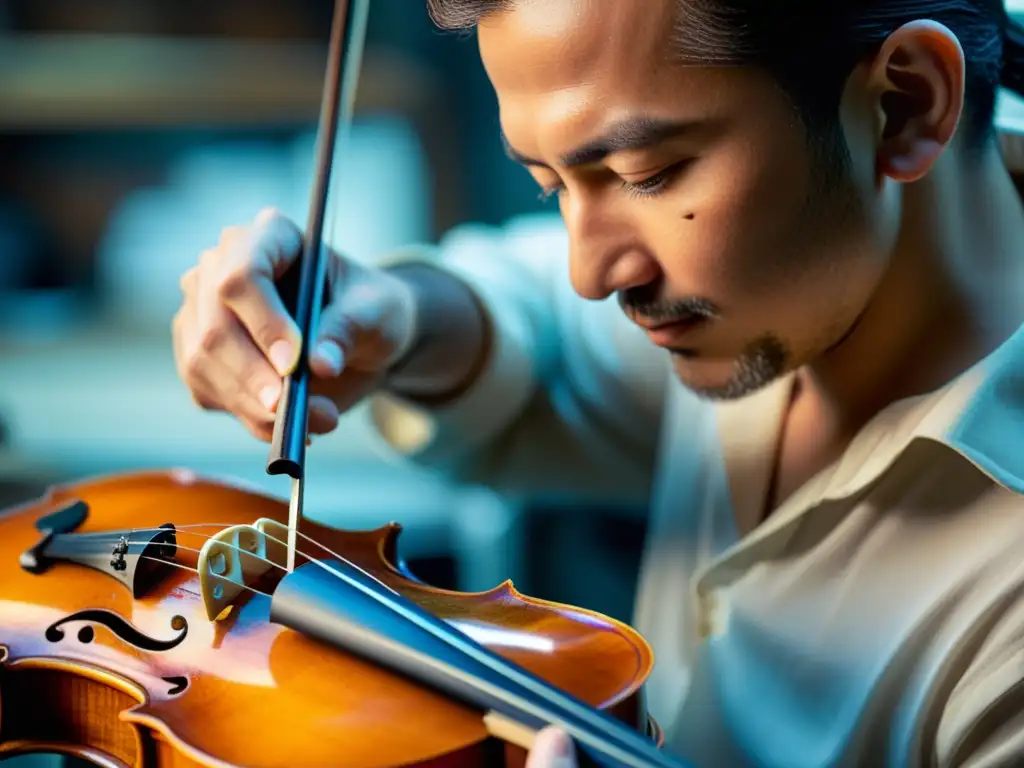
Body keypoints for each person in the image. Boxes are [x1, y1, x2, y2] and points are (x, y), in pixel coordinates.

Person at [173, 0, 1024, 765]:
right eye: (552, 186)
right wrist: (394, 314)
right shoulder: (783, 286)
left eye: (645, 175)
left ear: (905, 105)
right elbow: (543, 323)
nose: (592, 270)